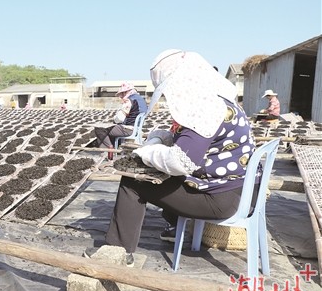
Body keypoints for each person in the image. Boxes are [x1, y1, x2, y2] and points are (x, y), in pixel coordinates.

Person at [85, 49, 258, 267]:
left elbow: (181, 161)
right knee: (159, 174)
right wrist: (161, 137)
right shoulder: (219, 102)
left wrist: (146, 153)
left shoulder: (205, 107)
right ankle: (174, 225)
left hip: (220, 197)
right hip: (233, 188)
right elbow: (192, 140)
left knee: (133, 182)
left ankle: (116, 252)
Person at [93, 82, 148, 160]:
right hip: (137, 128)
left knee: (99, 129)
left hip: (128, 129)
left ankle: (107, 150)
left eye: (122, 93)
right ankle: (112, 148)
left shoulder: (129, 101)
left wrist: (114, 118)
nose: (121, 96)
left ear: (127, 92)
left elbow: (119, 118)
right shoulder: (141, 99)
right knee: (111, 129)